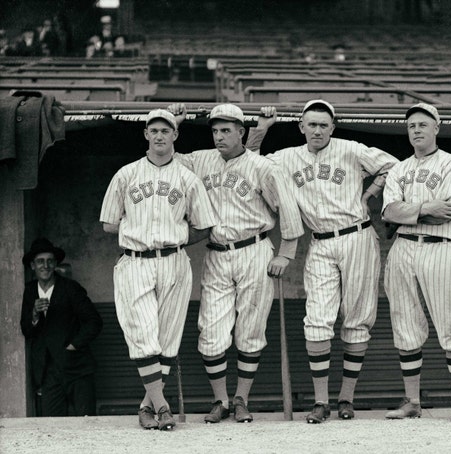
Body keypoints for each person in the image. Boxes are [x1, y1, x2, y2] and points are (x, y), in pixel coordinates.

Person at [246, 100, 399, 423]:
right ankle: (321, 401)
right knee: (317, 321)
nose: (317, 130)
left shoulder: (351, 149)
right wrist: (261, 129)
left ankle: (346, 398)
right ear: (301, 127)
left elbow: (393, 167)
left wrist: (370, 193)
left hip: (357, 236)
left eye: (323, 125)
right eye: (311, 124)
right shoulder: (287, 157)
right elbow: (250, 162)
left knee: (357, 319)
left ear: (333, 127)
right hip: (319, 241)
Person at [167, 102, 304, 424]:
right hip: (216, 251)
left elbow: (288, 210)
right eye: (215, 130)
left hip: (254, 250)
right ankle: (221, 400)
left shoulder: (263, 167)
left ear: (242, 132)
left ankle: (242, 398)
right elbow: (165, 159)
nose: (219, 136)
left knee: (250, 330)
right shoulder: (200, 160)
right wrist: (174, 122)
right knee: (211, 332)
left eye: (226, 130)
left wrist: (286, 252)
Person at [100, 109, 216, 430]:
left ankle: (146, 407)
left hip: (174, 261)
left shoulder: (187, 178)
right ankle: (163, 406)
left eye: (166, 130)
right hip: (135, 260)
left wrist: (174, 239)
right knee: (141, 333)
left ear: (175, 135)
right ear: (146, 135)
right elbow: (109, 224)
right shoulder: (126, 175)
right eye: (154, 130)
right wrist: (139, 230)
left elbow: (205, 226)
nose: (160, 136)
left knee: (167, 339)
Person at [380, 102, 451, 422]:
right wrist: (424, 208)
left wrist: (409, 211)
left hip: (443, 247)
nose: (416, 130)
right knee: (405, 326)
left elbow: (447, 214)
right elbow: (388, 213)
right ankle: (412, 401)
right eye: (411, 126)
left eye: (422, 124)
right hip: (403, 250)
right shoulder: (398, 169)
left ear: (436, 127)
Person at [20, 238, 103, 417]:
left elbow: (94, 322)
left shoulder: (70, 288)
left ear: (56, 264)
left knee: (86, 424)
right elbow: (26, 330)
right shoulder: (29, 291)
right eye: (40, 261)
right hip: (48, 373)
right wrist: (34, 314)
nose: (46, 265)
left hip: (77, 368)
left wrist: (73, 345)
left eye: (50, 261)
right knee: (52, 427)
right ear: (33, 266)